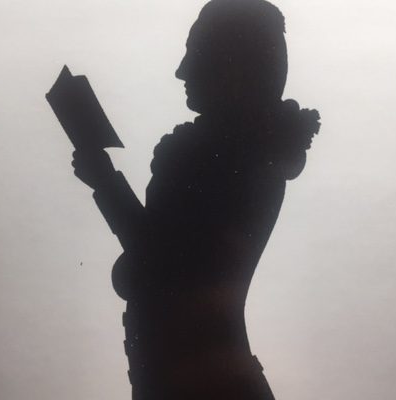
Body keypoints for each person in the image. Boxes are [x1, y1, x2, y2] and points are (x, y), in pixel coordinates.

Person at [71, 1, 320, 399]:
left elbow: (160, 265)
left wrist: (103, 179)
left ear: (232, 64)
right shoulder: (247, 155)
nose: (182, 70)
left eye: (196, 53)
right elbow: (161, 254)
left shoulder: (227, 158)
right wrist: (103, 178)